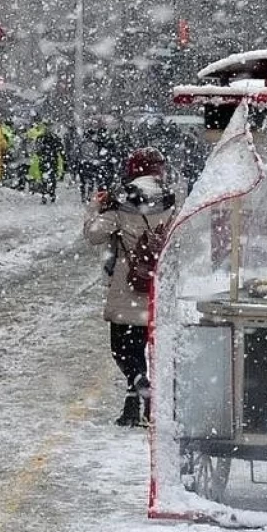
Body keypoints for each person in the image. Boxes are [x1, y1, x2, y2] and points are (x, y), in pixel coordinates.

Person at [82, 147, 177, 426]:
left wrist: (95, 208)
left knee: (120, 348)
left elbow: (94, 235)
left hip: (127, 279)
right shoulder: (170, 200)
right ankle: (134, 406)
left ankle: (140, 385)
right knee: (138, 346)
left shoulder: (122, 201)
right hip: (155, 282)